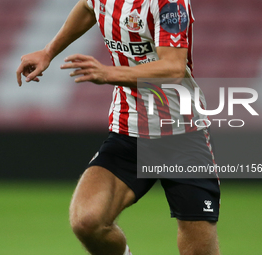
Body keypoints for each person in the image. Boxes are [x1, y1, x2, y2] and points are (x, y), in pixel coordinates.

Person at [16, 0, 221, 254]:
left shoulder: (170, 4)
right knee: (87, 221)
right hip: (129, 131)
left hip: (182, 134)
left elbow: (173, 68)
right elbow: (87, 6)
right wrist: (48, 52)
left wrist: (108, 73)